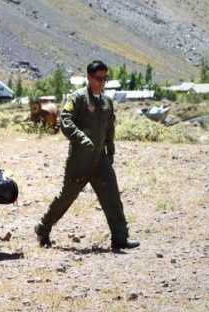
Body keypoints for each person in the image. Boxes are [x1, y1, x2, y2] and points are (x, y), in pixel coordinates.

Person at [35, 60, 140, 251]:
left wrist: (111, 148)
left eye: (105, 78)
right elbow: (65, 120)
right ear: (89, 78)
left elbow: (109, 126)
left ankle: (120, 238)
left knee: (112, 197)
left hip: (100, 160)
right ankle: (43, 227)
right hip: (79, 160)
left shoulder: (106, 102)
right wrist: (80, 137)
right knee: (67, 196)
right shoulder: (78, 98)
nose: (102, 82)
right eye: (99, 78)